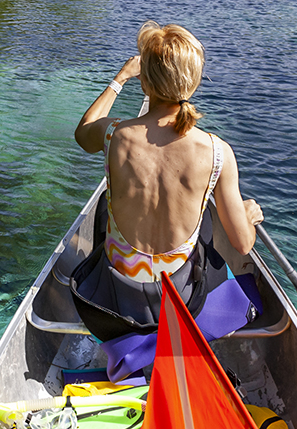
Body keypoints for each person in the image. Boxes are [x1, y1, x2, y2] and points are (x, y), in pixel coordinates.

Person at [74, 22, 264, 288]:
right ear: (194, 82)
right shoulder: (218, 153)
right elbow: (242, 244)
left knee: (108, 205)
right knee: (208, 217)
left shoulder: (113, 134)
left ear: (145, 81)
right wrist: (247, 217)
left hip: (117, 290)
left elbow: (83, 133)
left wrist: (120, 79)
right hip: (179, 299)